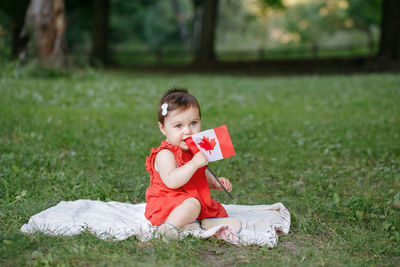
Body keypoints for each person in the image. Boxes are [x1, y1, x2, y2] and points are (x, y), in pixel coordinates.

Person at [144, 88, 241, 240]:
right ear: (163, 128)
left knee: (208, 206)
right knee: (193, 204)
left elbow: (200, 172)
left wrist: (214, 182)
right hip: (166, 202)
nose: (188, 131)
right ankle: (167, 228)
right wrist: (194, 164)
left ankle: (206, 223)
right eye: (178, 126)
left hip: (188, 198)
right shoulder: (165, 154)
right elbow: (172, 181)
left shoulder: (194, 151)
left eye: (194, 123)